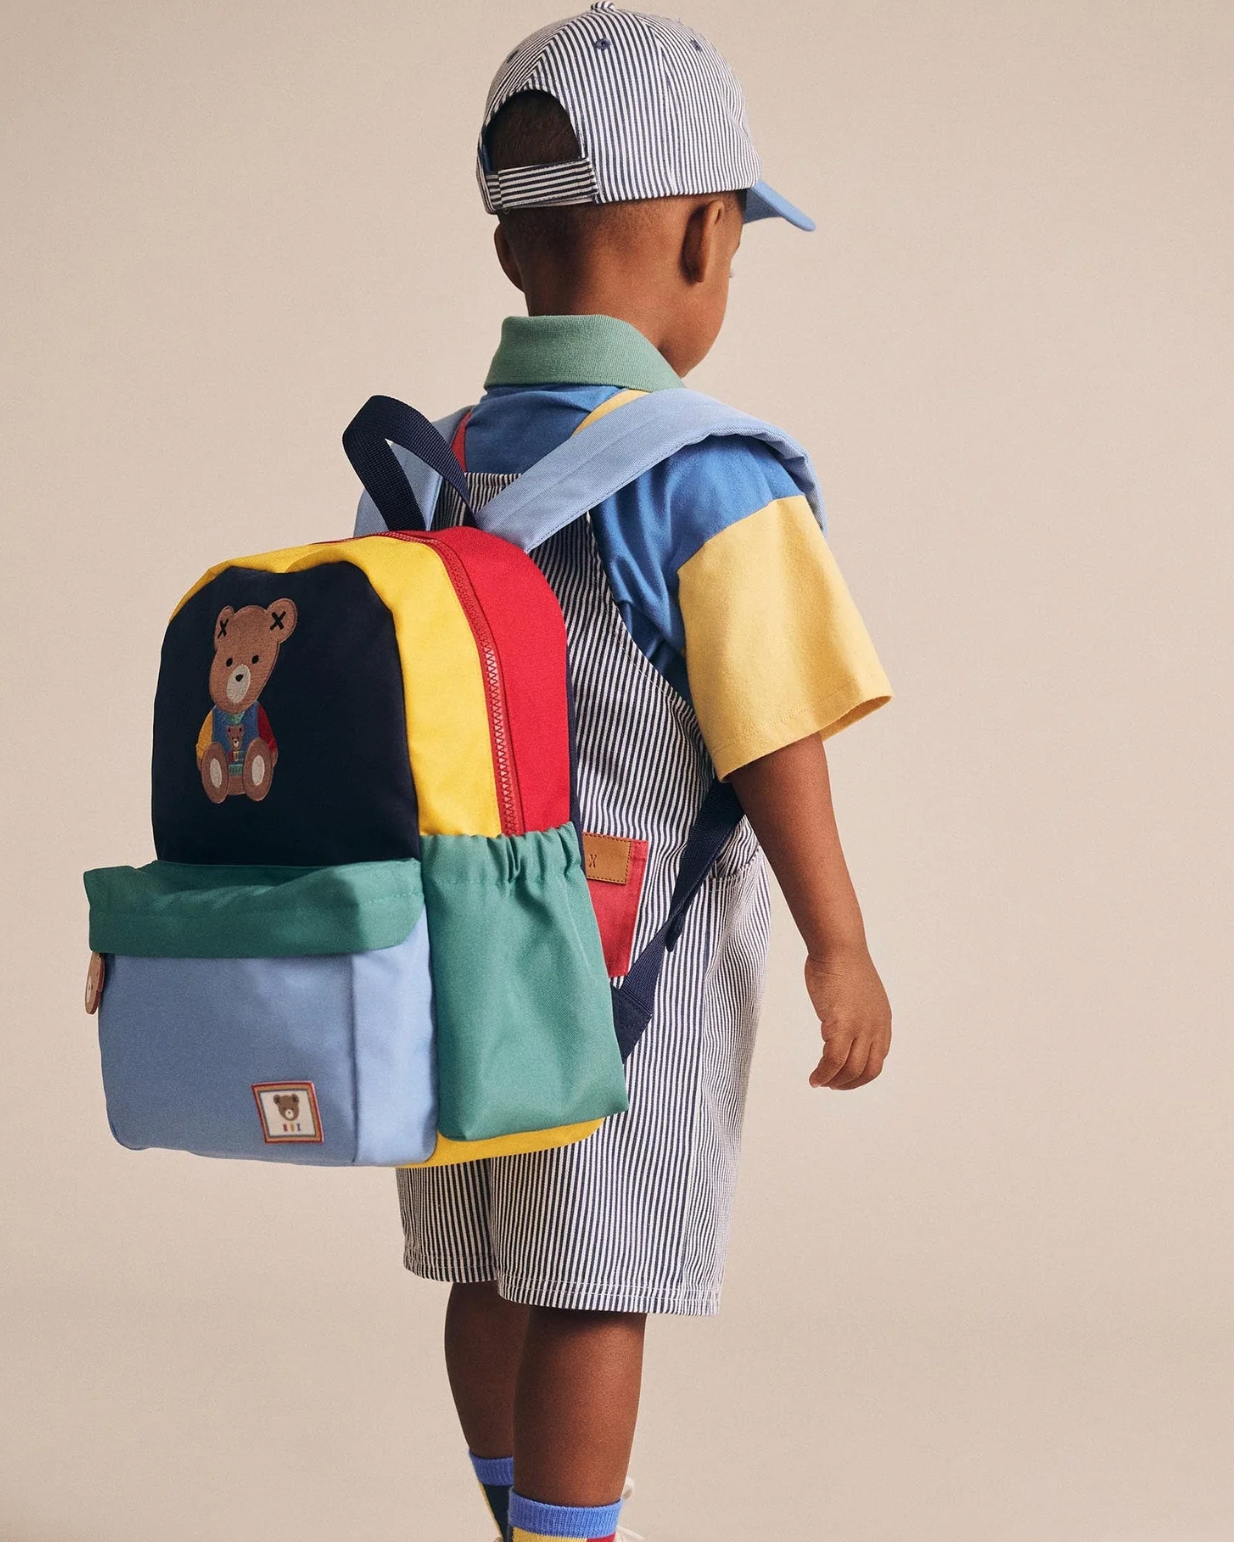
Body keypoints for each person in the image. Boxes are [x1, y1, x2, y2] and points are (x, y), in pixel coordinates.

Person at [395, 7, 893, 1539]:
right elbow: (771, 733)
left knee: (488, 1261)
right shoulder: (711, 474)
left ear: (508, 248)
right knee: (593, 1284)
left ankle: (511, 1519)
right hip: (624, 965)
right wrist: (837, 938)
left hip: (443, 943)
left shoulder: (422, 466)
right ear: (700, 234)